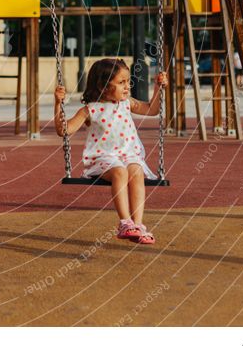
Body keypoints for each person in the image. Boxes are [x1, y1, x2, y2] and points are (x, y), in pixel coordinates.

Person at [54, 58, 167, 244]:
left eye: (127, 82)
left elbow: (152, 109)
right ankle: (125, 222)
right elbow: (64, 130)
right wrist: (58, 104)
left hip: (129, 155)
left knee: (136, 172)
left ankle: (137, 226)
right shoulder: (90, 110)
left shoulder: (127, 103)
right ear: (104, 86)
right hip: (103, 159)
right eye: (121, 82)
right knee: (120, 172)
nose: (127, 87)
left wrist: (158, 88)